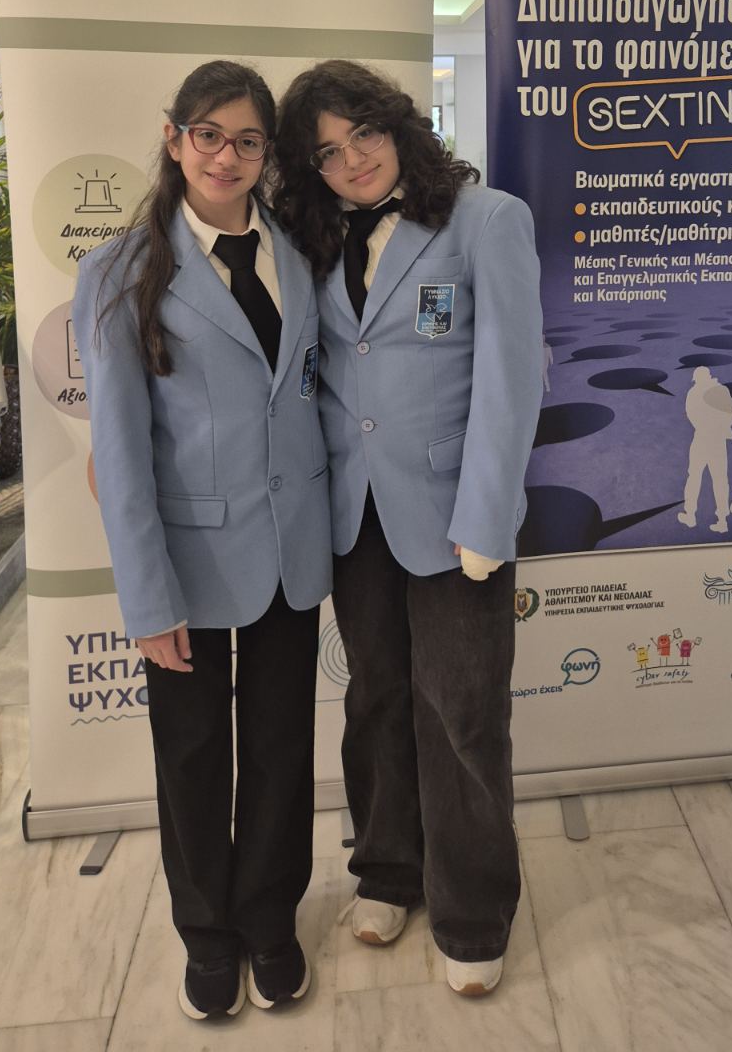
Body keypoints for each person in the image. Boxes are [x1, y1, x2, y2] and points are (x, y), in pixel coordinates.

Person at [274, 58, 544, 998]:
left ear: (399, 126)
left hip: (454, 512)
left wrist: (488, 516)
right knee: (376, 698)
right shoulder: (310, 238)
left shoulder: (487, 220)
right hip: (355, 515)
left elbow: (513, 379)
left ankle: (472, 909)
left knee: (463, 711)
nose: (354, 161)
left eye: (365, 134)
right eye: (329, 152)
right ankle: (388, 870)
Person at [72, 60, 331, 1021]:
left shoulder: (298, 252)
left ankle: (269, 920)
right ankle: (207, 934)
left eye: (248, 140)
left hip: (290, 551)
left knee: (280, 750)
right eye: (209, 135)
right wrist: (146, 599)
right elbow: (120, 453)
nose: (227, 157)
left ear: (268, 154)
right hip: (186, 560)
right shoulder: (120, 271)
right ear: (175, 138)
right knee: (190, 759)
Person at [677, 365, 732, 533]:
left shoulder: (694, 392)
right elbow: (731, 413)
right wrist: (721, 427)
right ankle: (722, 520)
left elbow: (691, 414)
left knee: (694, 476)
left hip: (701, 438)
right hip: (718, 440)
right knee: (720, 479)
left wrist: (704, 426)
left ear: (697, 379)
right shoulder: (722, 390)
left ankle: (690, 515)